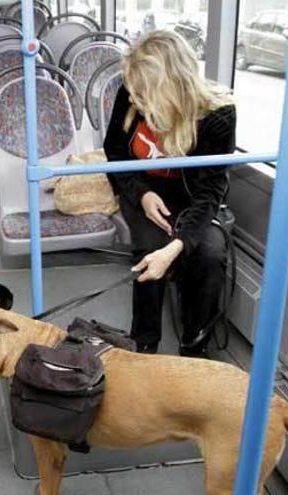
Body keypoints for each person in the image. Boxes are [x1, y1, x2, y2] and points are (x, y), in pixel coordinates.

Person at [103, 30, 236, 358]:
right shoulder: (131, 91)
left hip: (192, 199)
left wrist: (177, 246)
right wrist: (142, 195)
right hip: (143, 188)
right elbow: (115, 152)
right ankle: (144, 343)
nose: (133, 102)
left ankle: (194, 347)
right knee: (148, 246)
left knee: (209, 254)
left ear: (169, 90)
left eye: (142, 96)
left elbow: (209, 193)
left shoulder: (219, 115)